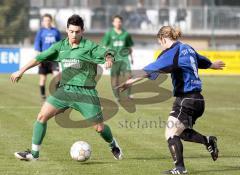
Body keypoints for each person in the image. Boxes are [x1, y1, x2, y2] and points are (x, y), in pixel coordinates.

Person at [11, 14, 123, 161]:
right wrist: (21, 70)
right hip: (65, 90)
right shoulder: (61, 46)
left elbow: (107, 52)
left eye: (77, 31)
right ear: (66, 30)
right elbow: (39, 58)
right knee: (41, 116)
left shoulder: (89, 46)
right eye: (71, 31)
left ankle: (113, 144)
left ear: (83, 31)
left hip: (86, 93)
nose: (74, 35)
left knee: (99, 128)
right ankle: (34, 154)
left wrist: (108, 58)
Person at [116, 26, 225, 174]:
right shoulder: (188, 48)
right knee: (182, 132)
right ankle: (208, 141)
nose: (160, 44)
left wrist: (129, 82)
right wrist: (212, 65)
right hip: (196, 99)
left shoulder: (171, 52)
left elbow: (150, 69)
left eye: (159, 42)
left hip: (187, 99)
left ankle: (180, 168)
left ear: (162, 38)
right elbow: (201, 60)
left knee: (171, 133)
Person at [101, 15, 134, 101]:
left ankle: (129, 95)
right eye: (116, 21)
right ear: (113, 23)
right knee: (115, 78)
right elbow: (104, 46)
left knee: (129, 76)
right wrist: (107, 58)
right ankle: (117, 96)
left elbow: (129, 47)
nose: (118, 23)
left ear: (121, 22)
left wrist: (132, 58)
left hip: (124, 59)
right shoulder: (109, 33)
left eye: (119, 21)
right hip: (114, 59)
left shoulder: (126, 34)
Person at [34, 14, 61, 101]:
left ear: (51, 21)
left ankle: (57, 96)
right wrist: (38, 60)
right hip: (44, 58)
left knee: (57, 76)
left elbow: (60, 44)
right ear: (43, 22)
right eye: (45, 20)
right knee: (43, 78)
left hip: (53, 58)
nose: (47, 22)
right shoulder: (40, 32)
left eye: (48, 20)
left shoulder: (56, 31)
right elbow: (37, 46)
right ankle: (43, 96)